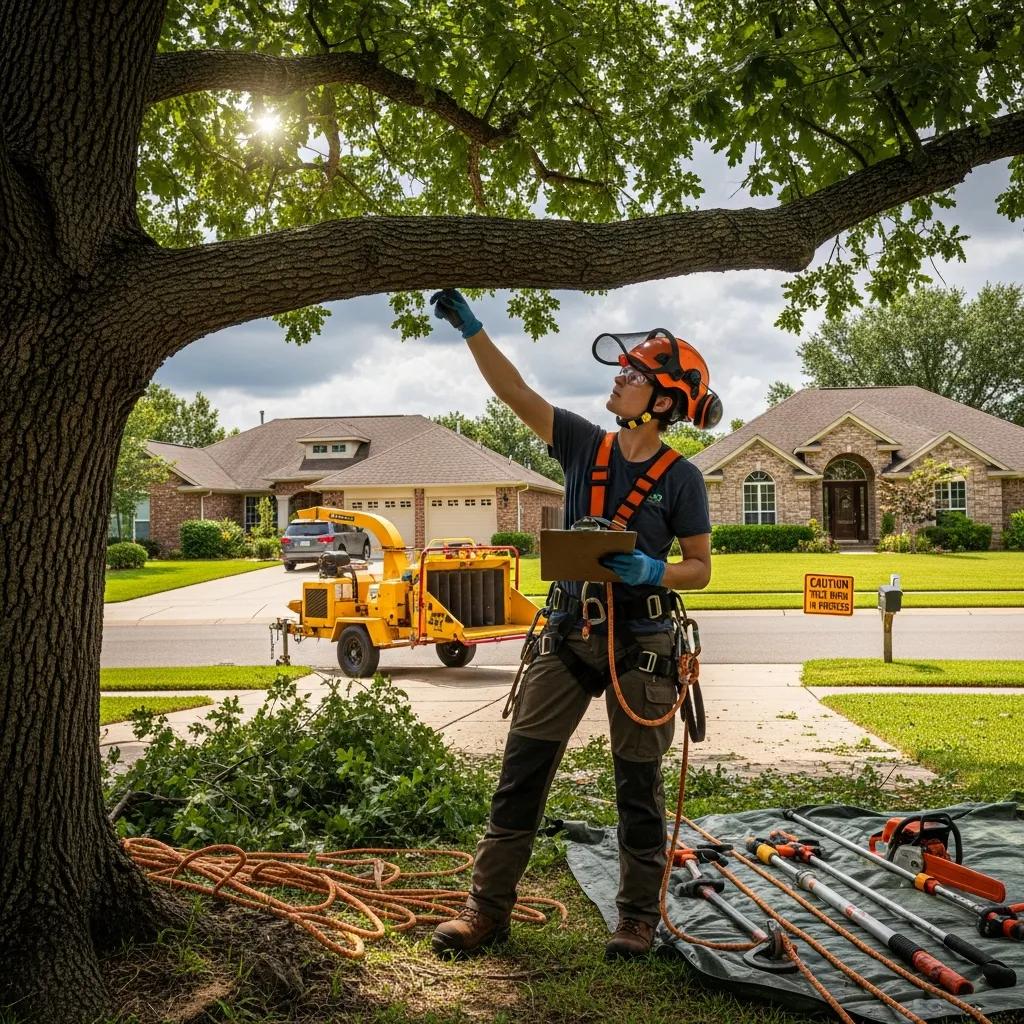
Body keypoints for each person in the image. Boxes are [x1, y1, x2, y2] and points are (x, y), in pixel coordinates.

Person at [428, 289, 718, 960]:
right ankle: (486, 911)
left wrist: (656, 571)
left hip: (642, 646)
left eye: (633, 375)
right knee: (521, 773)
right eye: (621, 371)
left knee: (637, 788)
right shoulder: (583, 444)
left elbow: (699, 567)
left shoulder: (683, 479)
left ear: (663, 402)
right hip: (567, 634)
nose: (617, 380)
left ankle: (637, 919)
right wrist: (471, 330)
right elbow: (514, 393)